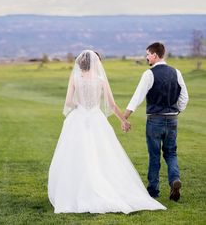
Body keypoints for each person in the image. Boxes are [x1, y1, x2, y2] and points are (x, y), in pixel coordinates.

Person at [48, 50, 166, 214]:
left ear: (80, 64)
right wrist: (123, 120)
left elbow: (68, 101)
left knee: (75, 155)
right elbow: (112, 105)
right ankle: (103, 188)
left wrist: (80, 107)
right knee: (102, 155)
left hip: (78, 119)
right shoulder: (100, 80)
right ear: (96, 63)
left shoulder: (75, 78)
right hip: (97, 119)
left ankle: (76, 192)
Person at [123, 42, 189, 201]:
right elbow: (184, 97)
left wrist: (124, 116)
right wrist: (177, 110)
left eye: (147, 54)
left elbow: (137, 97)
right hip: (172, 119)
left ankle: (153, 190)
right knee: (171, 152)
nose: (146, 57)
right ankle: (174, 180)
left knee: (154, 155)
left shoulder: (149, 74)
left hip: (155, 120)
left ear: (154, 55)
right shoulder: (176, 72)